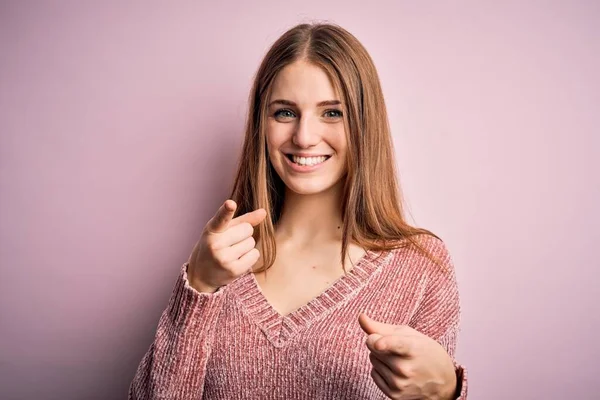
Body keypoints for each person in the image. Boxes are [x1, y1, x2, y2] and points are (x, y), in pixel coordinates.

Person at [128, 22, 467, 400]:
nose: (304, 136)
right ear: (262, 123)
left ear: (364, 124)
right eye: (285, 113)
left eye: (332, 113)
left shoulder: (421, 266)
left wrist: (445, 392)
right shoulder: (222, 260)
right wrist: (199, 287)